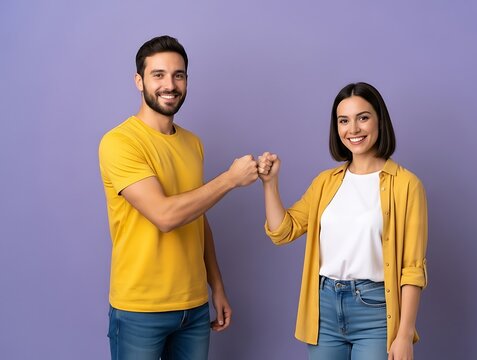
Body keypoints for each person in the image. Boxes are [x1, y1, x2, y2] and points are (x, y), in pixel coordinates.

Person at [99, 35, 258, 360]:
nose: (169, 84)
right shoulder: (120, 143)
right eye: (158, 75)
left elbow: (196, 216)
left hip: (194, 309)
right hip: (139, 309)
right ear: (139, 80)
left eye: (178, 75)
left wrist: (217, 287)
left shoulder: (192, 143)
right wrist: (229, 179)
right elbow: (166, 215)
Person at [257, 82, 428, 360]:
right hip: (324, 308)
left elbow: (412, 268)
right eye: (344, 121)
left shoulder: (407, 185)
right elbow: (282, 231)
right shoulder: (325, 183)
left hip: (375, 311)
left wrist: (405, 333)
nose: (354, 129)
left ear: (379, 121)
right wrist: (269, 183)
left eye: (363, 117)